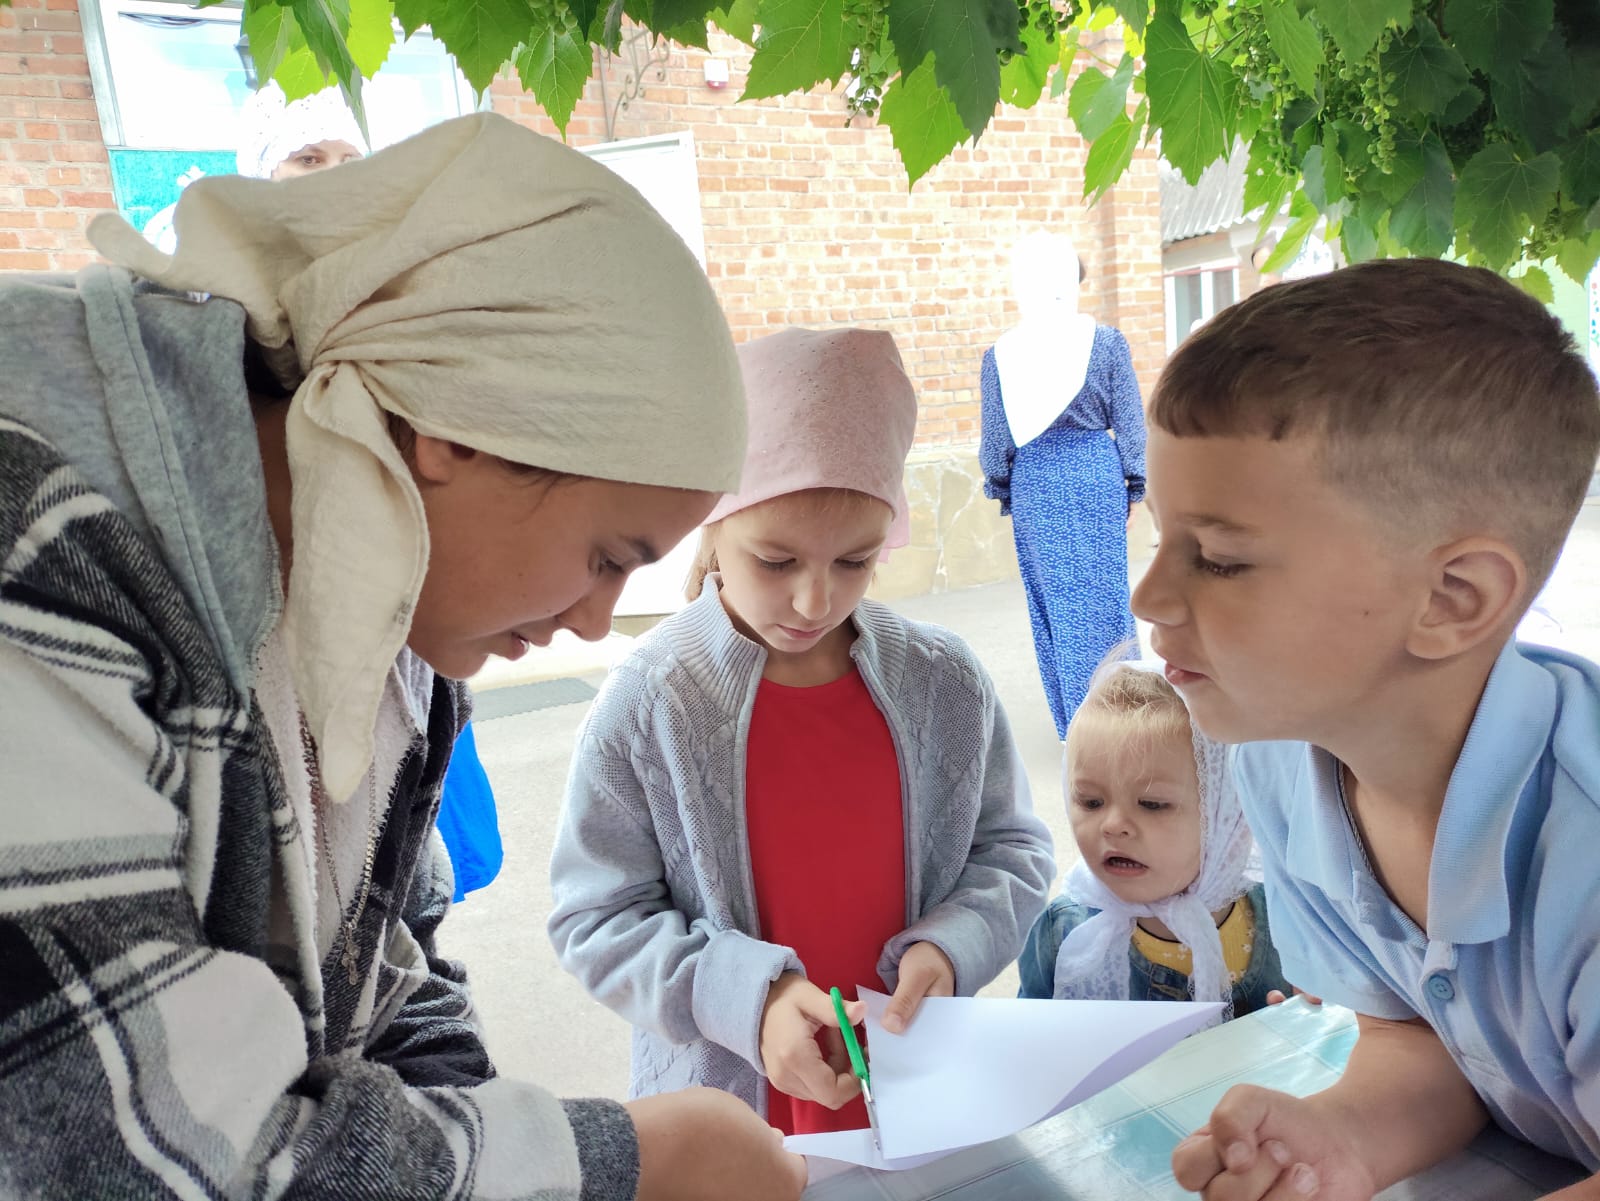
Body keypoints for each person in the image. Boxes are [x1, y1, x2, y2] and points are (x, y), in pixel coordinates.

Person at [0, 113, 808, 1200]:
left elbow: (379, 981)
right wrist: (627, 1160)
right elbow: (140, 1155)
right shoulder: (40, 543)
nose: (591, 622)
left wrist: (501, 1141)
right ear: (456, 432)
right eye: (606, 558)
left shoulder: (395, 605)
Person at [1130, 258, 1600, 1200]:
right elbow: (1424, 1032)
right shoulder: (1279, 761)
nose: (1149, 597)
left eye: (1218, 559)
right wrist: (1344, 1136)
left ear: (1452, 598)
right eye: (1158, 539)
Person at [548, 326, 1055, 1137]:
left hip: (918, 1095)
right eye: (776, 561)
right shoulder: (649, 704)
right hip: (730, 1117)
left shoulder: (946, 683)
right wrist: (747, 1000)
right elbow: (596, 918)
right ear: (714, 527)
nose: (816, 601)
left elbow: (1014, 850)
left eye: (855, 560)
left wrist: (953, 945)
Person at [1018, 658, 1287, 1018]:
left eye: (1152, 804)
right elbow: (1029, 1030)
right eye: (1091, 802)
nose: (1114, 825)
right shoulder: (1063, 931)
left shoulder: (1283, 913)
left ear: (1229, 821)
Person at [979, 231, 1148, 740]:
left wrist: (1004, 488)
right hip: (1097, 476)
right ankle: (1126, 715)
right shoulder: (1107, 343)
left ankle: (1081, 726)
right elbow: (1130, 422)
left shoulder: (1000, 355)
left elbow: (996, 440)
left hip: (1036, 483)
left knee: (1056, 604)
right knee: (1107, 597)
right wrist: (1133, 484)